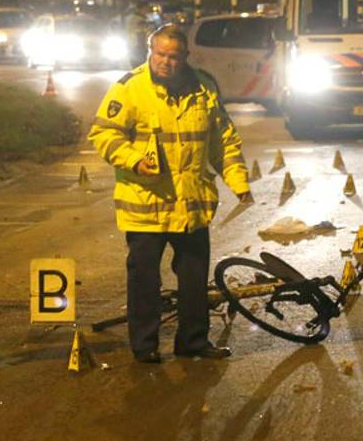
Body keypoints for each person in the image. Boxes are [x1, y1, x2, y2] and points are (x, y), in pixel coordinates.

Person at [89, 25, 252, 364]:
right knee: (144, 279)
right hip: (145, 205)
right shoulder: (130, 89)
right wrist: (134, 161)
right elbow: (104, 134)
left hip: (190, 203)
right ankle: (145, 346)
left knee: (193, 278)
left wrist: (239, 183)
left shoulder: (204, 89)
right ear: (149, 51)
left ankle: (192, 341)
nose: (165, 62)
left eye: (173, 56)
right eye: (159, 54)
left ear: (185, 56)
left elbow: (223, 142)